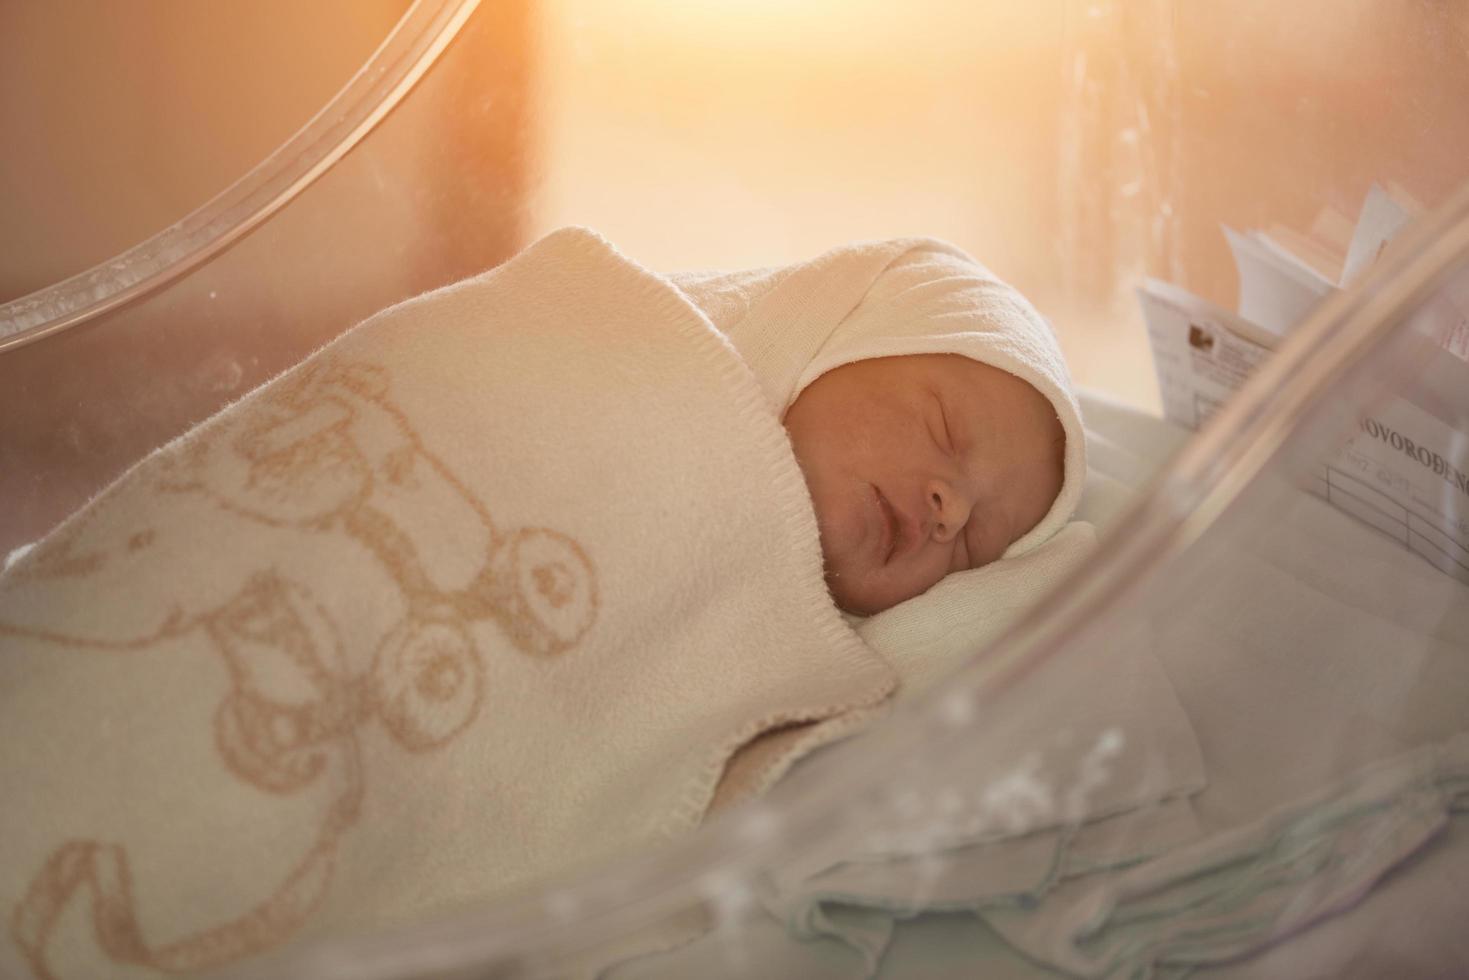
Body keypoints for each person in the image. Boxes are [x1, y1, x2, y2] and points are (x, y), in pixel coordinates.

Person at [671, 237, 1085, 615]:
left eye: (973, 542)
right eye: (943, 431)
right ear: (843, 337)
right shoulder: (638, 359)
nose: (954, 513)